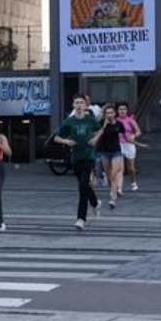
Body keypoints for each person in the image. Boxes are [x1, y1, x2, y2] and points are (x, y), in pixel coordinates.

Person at [54, 94, 102, 231]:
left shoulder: (90, 119)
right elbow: (56, 137)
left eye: (81, 102)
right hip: (76, 157)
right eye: (77, 103)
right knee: (83, 188)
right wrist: (67, 141)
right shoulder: (69, 122)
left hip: (88, 156)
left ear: (85, 105)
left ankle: (80, 219)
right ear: (73, 105)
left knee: (83, 186)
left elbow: (100, 130)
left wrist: (95, 139)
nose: (79, 105)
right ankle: (95, 202)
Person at [93, 106, 126, 209]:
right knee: (108, 176)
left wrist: (135, 142)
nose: (109, 115)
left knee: (113, 174)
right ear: (105, 114)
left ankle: (113, 198)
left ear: (114, 113)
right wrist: (104, 125)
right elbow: (96, 135)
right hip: (104, 152)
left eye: (111, 113)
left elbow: (125, 136)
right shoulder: (101, 124)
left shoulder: (119, 124)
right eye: (107, 113)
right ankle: (113, 190)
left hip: (116, 152)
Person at [117, 102, 141, 191]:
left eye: (124, 109)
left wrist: (134, 135)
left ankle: (133, 182)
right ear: (117, 111)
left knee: (130, 167)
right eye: (120, 109)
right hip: (118, 144)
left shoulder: (130, 120)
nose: (122, 111)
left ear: (127, 110)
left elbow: (138, 131)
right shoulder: (115, 120)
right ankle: (119, 187)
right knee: (119, 167)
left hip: (129, 144)